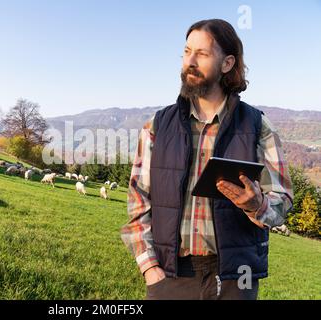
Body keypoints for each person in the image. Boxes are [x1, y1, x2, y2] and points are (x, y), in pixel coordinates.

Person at [120, 19, 294, 300]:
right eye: (186, 51)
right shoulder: (157, 126)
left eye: (201, 54)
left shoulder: (258, 126)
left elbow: (282, 201)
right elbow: (138, 202)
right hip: (171, 276)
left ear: (227, 64)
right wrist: (150, 269)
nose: (190, 61)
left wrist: (257, 205)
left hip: (236, 281)